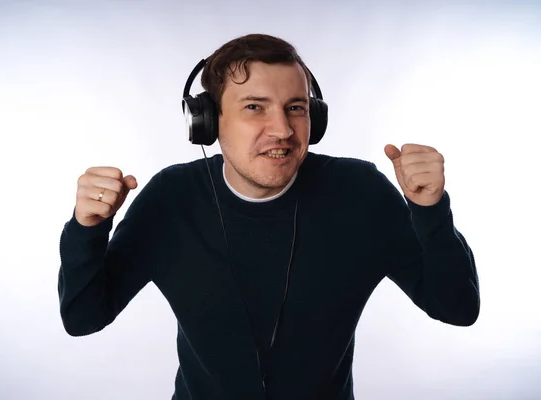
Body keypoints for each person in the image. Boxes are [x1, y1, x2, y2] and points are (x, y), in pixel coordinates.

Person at [57, 33, 480, 400]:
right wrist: (87, 229)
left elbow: (457, 307)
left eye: (296, 107)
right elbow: (83, 317)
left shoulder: (361, 192)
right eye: (255, 107)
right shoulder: (171, 198)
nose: (282, 129)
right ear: (207, 122)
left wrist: (429, 210)